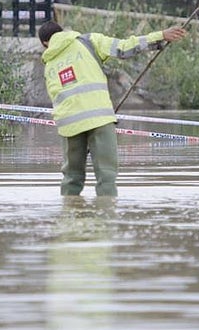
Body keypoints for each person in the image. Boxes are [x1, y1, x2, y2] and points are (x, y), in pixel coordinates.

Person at [38, 19, 187, 197]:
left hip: (70, 126)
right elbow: (124, 47)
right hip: (100, 120)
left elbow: (57, 98)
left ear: (45, 43)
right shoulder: (89, 41)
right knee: (106, 177)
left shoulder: (49, 66)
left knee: (71, 178)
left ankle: (69, 216)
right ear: (62, 31)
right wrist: (161, 36)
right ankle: (107, 217)